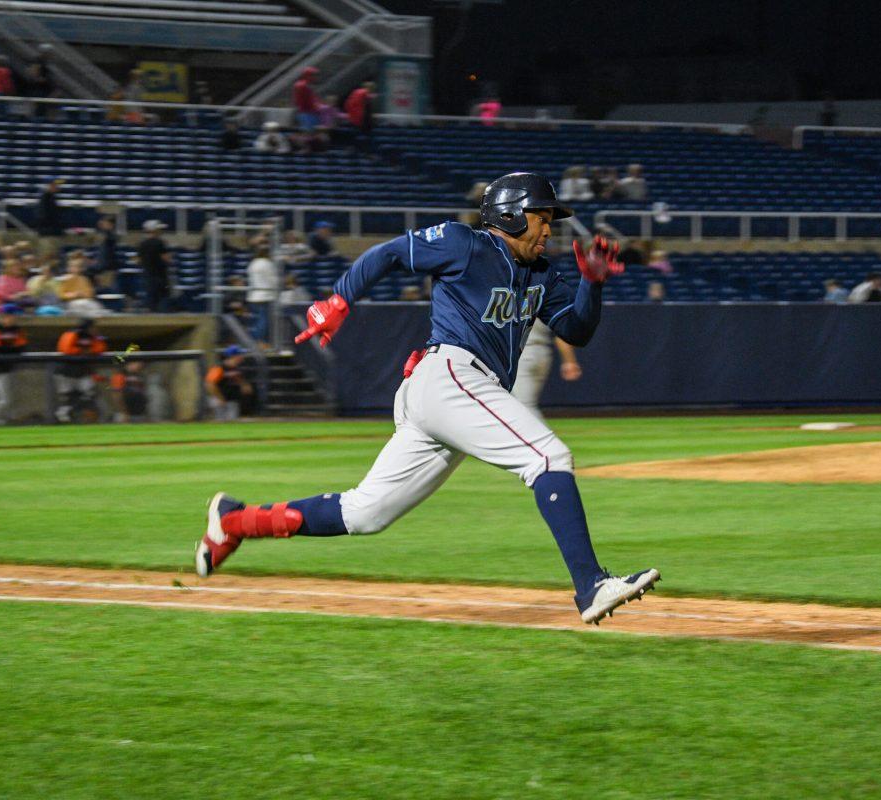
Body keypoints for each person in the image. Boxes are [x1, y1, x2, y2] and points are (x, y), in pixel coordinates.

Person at [194, 171, 660, 626]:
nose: (548, 227)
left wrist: (592, 285)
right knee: (547, 456)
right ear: (512, 214)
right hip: (450, 374)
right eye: (542, 216)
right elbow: (389, 253)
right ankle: (591, 585)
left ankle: (236, 521)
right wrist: (339, 300)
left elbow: (576, 330)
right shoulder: (467, 243)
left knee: (365, 513)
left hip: (457, 391)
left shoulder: (542, 273)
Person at [511, 323, 582, 420]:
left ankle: (541, 433)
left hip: (524, 352)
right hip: (542, 351)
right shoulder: (542, 307)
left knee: (524, 405)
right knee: (525, 404)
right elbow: (561, 333)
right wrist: (569, 360)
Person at [0, 303, 27, 426]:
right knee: (3, 400)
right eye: (9, 316)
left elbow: (22, 348)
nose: (12, 318)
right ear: (2, 316)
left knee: (10, 399)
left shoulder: (17, 330)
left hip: (10, 368)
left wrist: (5, 349)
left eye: (13, 316)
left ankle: (0, 421)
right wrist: (10, 348)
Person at [55, 318, 107, 423]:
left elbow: (100, 349)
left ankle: (72, 414)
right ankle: (64, 417)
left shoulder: (94, 337)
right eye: (92, 327)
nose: (94, 329)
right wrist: (83, 351)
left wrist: (86, 350)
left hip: (83, 373)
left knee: (89, 394)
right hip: (66, 372)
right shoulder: (71, 334)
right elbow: (65, 349)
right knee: (68, 398)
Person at [204, 345, 254, 421]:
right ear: (233, 356)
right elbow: (209, 384)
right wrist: (219, 398)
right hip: (219, 401)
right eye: (240, 354)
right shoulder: (219, 367)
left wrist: (244, 385)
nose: (242, 356)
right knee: (220, 424)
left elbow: (240, 380)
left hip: (232, 401)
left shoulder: (238, 368)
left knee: (232, 424)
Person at [246, 244, 279, 345]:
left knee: (256, 320)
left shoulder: (252, 264)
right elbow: (274, 281)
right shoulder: (268, 264)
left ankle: (256, 341)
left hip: (253, 296)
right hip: (266, 296)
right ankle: (259, 341)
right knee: (264, 320)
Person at [137, 220, 173, 312]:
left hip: (148, 275)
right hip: (160, 276)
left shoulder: (142, 244)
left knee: (151, 302)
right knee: (162, 301)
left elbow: (139, 260)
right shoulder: (159, 243)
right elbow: (166, 258)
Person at [59, 250, 103, 315]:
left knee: (95, 306)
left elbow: (90, 294)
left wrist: (83, 294)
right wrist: (74, 295)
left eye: (78, 267)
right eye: (73, 267)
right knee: (81, 306)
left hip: (85, 301)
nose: (75, 269)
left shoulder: (84, 279)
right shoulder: (66, 279)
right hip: (71, 303)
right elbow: (61, 295)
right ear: (69, 268)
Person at [93, 215, 119, 290]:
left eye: (106, 224)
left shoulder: (112, 236)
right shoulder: (106, 234)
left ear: (111, 225)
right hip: (101, 263)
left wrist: (102, 228)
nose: (104, 225)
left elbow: (108, 237)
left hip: (107, 265)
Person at [293, 67, 321, 131]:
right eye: (314, 75)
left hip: (307, 113)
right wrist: (317, 107)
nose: (316, 77)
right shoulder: (303, 85)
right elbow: (308, 101)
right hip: (307, 113)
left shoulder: (304, 85)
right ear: (308, 76)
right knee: (308, 134)